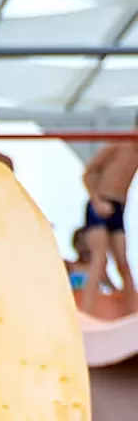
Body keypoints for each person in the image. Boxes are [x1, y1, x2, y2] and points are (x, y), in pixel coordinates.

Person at [80, 117, 138, 316]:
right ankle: (86, 313)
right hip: (100, 202)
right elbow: (88, 173)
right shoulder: (119, 143)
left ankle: (133, 313)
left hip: (117, 207)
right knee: (99, 258)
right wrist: (96, 201)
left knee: (123, 261)